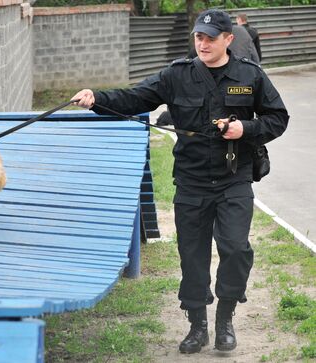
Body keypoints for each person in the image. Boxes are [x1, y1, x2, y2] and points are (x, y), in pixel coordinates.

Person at [71, 9, 288, 354]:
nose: (203, 43)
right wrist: (97, 97)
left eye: (211, 38)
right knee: (192, 255)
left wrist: (244, 129)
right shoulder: (177, 75)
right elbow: (136, 97)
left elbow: (278, 118)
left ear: (228, 40)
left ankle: (225, 319)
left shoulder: (250, 76)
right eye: (199, 37)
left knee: (235, 248)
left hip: (235, 178)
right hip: (191, 180)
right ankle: (197, 325)